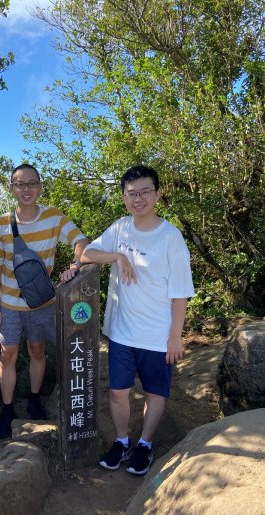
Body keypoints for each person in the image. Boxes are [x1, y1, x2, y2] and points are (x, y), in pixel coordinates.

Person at [81, 165, 194, 475]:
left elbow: (181, 292)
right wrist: (117, 256)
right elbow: (87, 254)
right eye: (132, 193)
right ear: (124, 197)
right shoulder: (119, 229)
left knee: (155, 392)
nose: (139, 198)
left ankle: (144, 443)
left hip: (158, 334)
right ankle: (121, 441)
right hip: (122, 332)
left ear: (157, 194)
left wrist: (175, 336)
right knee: (117, 391)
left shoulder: (171, 237)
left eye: (145, 192)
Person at [0, 163, 88, 439]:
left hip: (42, 303)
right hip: (9, 304)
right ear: (12, 188)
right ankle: (7, 411)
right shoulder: (1, 224)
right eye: (20, 184)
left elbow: (80, 240)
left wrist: (76, 264)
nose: (26, 189)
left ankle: (33, 399)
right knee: (7, 355)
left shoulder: (54, 217)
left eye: (32, 183)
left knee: (37, 350)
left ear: (40, 187)